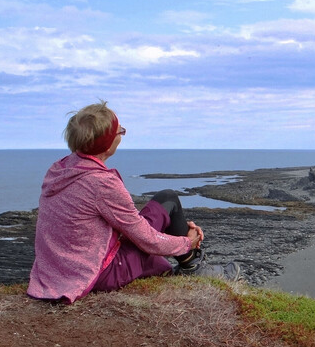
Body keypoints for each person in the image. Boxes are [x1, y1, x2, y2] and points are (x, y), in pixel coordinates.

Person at [27, 100, 235, 304]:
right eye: (120, 131)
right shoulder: (101, 183)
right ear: (107, 143)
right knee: (168, 201)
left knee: (160, 256)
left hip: (56, 271)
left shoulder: (60, 169)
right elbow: (146, 240)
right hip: (94, 274)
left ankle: (185, 266)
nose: (122, 135)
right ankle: (194, 267)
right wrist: (186, 242)